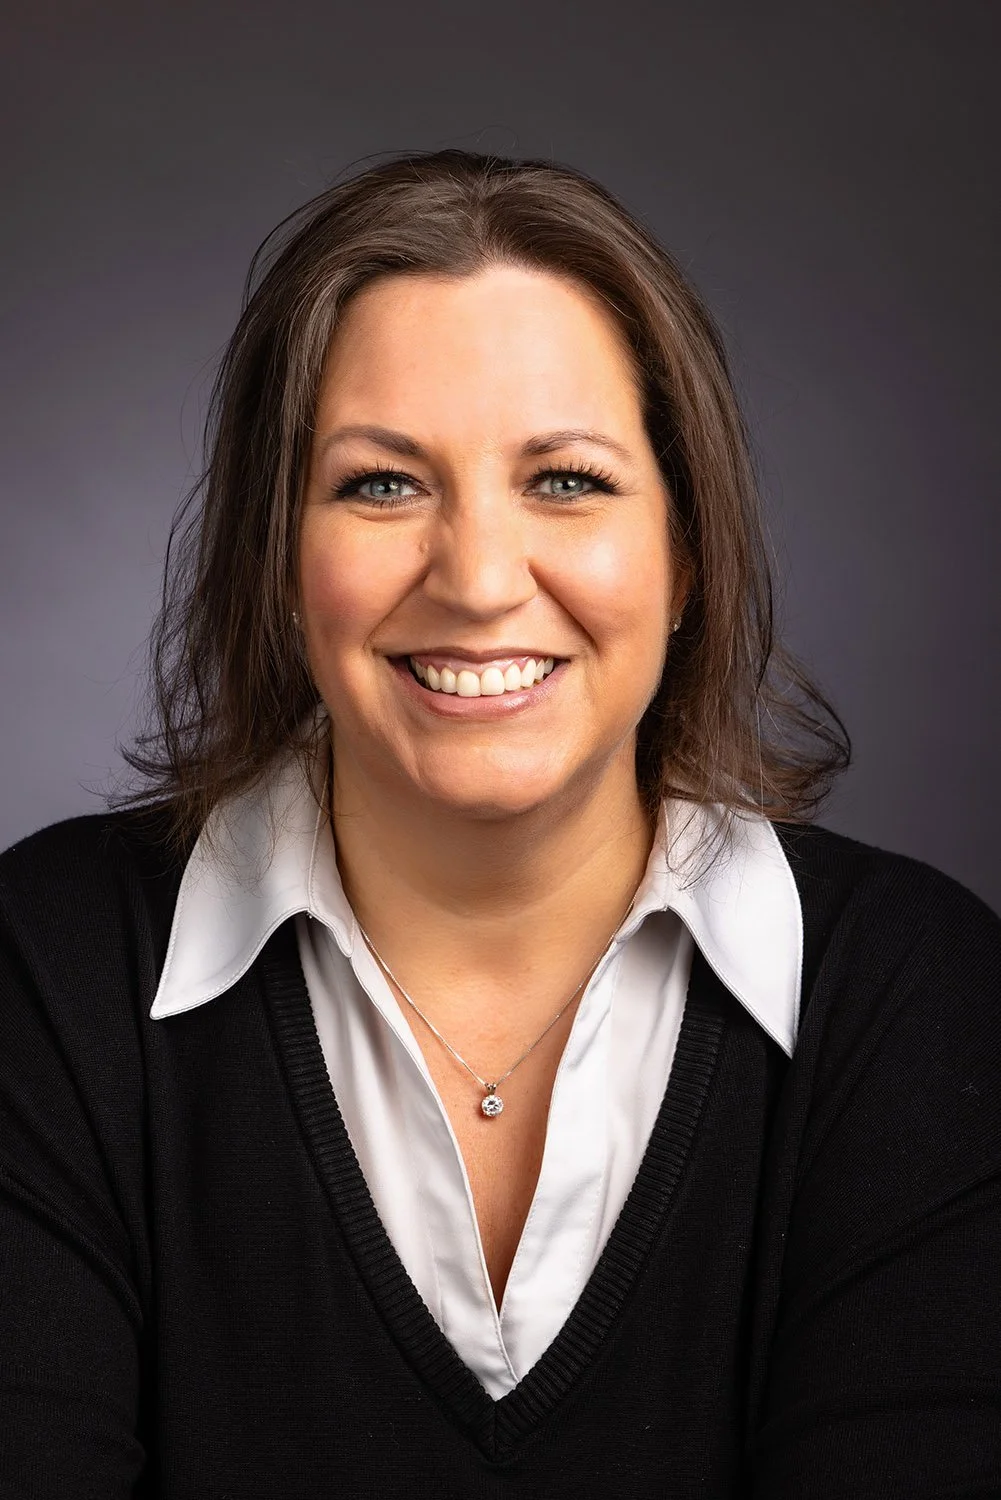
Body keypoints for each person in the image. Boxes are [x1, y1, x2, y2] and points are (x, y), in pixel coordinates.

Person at [1, 148, 999, 1499]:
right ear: (278, 558)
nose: (477, 580)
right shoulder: (45, 977)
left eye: (569, 481)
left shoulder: (925, 998)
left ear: (687, 552)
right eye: (383, 484)